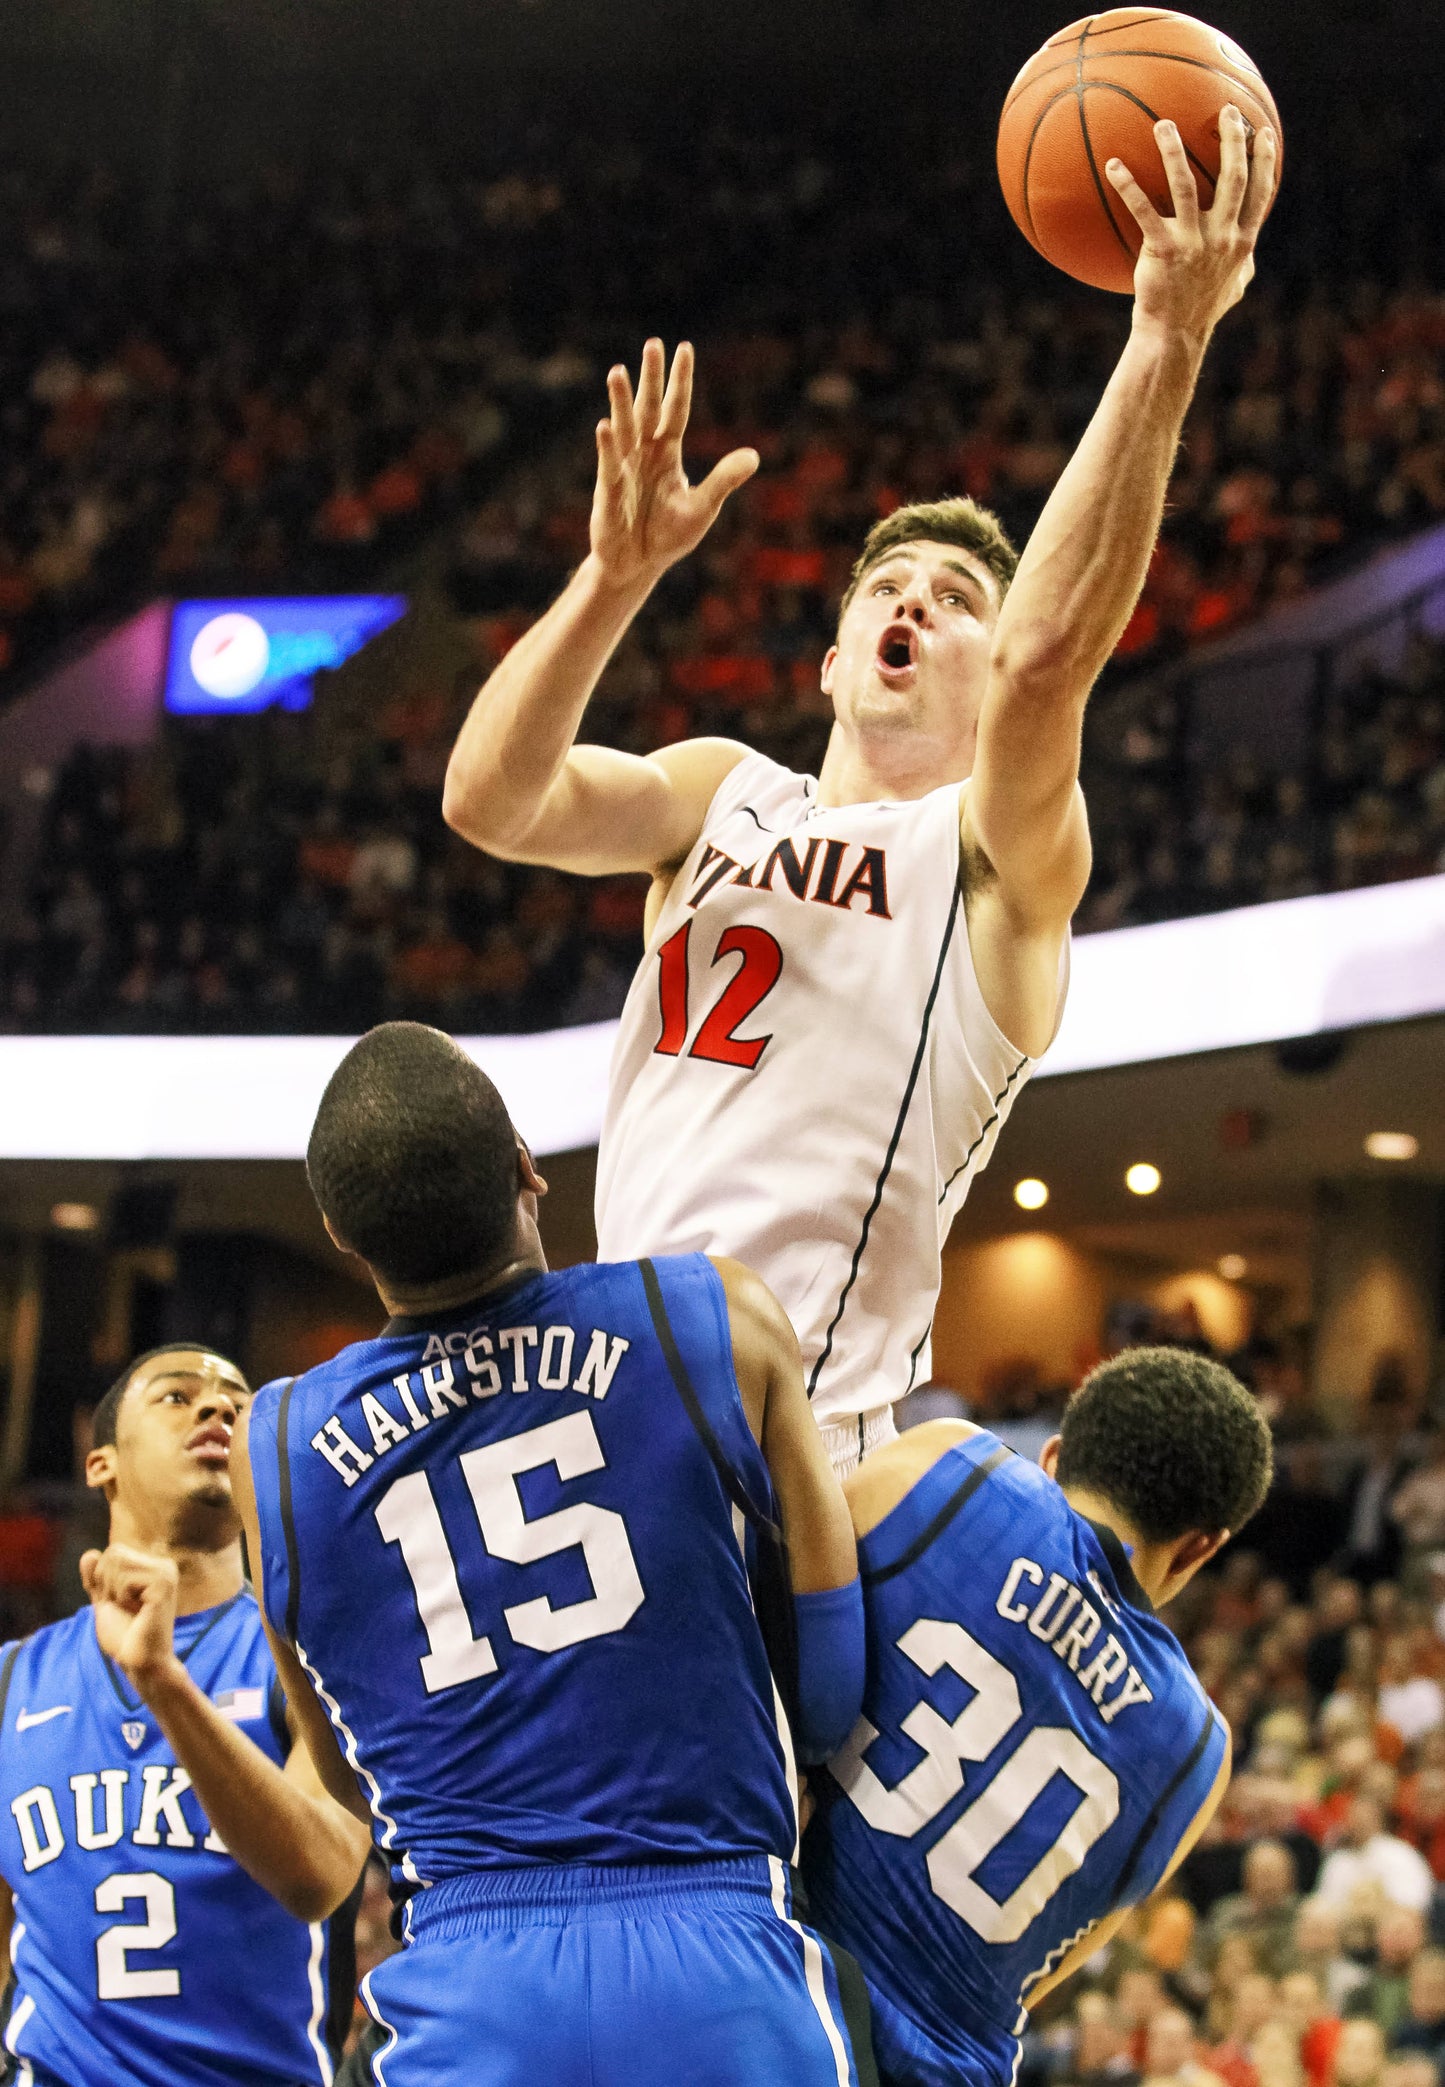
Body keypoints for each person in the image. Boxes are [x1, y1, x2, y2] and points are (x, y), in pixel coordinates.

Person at [442, 104, 1278, 1476]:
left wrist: (1165, 336)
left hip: (801, 1441)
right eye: (885, 588)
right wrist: (613, 580)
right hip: (601, 1391)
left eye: (953, 600)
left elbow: (1049, 661)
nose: (913, 603)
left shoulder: (996, 855)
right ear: (832, 659)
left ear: (983, 651)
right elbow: (492, 802)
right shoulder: (721, 791)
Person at [234, 1021, 870, 2085]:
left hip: (466, 1983)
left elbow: (343, 1774)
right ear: (526, 1166)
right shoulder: (704, 1311)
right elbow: (830, 1675)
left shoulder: (274, 1448)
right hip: (719, 1947)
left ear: (346, 1239)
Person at [801, 1345, 1275, 2087]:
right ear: (1200, 1547)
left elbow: (777, 1632)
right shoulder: (1199, 1757)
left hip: (772, 1979)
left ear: (1052, 1454)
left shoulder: (954, 1465)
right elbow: (1035, 1977)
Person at [0, 1344, 370, 2087]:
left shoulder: (310, 1654)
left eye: (237, 1398)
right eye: (176, 1396)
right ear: (100, 1462)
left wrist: (162, 1681)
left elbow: (321, 1878)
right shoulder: (12, 1676)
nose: (217, 1406)